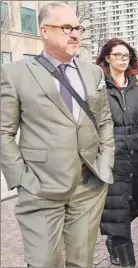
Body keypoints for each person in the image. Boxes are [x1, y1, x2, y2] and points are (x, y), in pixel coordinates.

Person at [0, 3, 115, 267]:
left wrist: (106, 159)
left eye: (77, 28)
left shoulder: (94, 72)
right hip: (41, 188)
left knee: (81, 263)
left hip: (88, 186)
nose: (75, 34)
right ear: (44, 31)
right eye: (66, 27)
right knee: (44, 262)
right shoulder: (15, 74)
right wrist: (20, 178)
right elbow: (4, 132)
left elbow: (104, 119)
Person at [96, 38, 138, 267]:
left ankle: (113, 237)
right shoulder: (100, 84)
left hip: (137, 151)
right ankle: (126, 259)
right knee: (118, 209)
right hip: (112, 151)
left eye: (126, 55)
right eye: (118, 55)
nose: (123, 59)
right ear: (107, 58)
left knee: (133, 204)